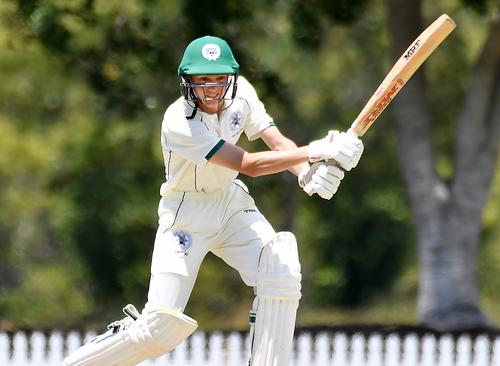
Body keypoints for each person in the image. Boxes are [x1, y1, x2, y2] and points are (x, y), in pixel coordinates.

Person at [63, 35, 363, 366]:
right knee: (157, 326)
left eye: (219, 79)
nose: (212, 89)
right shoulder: (179, 122)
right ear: (187, 82)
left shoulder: (244, 95)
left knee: (280, 269)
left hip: (230, 204)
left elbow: (277, 142)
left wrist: (304, 171)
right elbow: (247, 164)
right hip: (185, 213)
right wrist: (317, 149)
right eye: (203, 81)